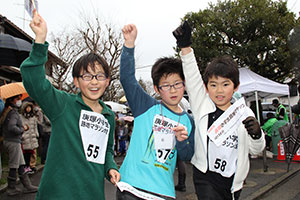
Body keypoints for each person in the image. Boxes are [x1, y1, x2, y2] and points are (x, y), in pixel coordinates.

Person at [20, 11, 120, 199]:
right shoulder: (62, 104)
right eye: (87, 76)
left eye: (99, 76)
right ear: (76, 81)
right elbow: (34, 81)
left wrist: (111, 168)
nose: (93, 82)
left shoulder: (109, 116)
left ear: (107, 81)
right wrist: (40, 41)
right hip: (57, 193)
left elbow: (105, 151)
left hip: (92, 193)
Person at [173, 21, 265, 200]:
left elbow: (256, 150)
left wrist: (256, 134)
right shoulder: (202, 106)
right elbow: (192, 78)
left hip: (233, 182)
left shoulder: (245, 113)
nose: (219, 90)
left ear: (236, 86)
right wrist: (185, 47)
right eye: (213, 85)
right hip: (205, 177)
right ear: (207, 88)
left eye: (225, 84)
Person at [117, 24, 195, 199]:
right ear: (157, 88)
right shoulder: (145, 105)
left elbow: (188, 156)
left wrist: (182, 141)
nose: (173, 90)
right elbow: (127, 79)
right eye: (166, 86)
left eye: (177, 84)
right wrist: (129, 44)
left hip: (163, 193)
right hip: (131, 187)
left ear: (184, 84)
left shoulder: (189, 121)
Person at [1, 95, 38, 196]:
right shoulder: (12, 113)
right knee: (14, 165)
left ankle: (27, 185)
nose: (19, 101)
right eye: (17, 99)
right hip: (13, 141)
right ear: (12, 100)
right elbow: (11, 127)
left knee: (21, 164)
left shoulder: (8, 111)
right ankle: (11, 187)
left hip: (12, 141)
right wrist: (22, 130)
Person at [20, 101, 40, 174]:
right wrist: (22, 135)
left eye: (30, 107)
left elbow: (35, 126)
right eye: (27, 107)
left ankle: (32, 165)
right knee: (26, 153)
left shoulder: (33, 117)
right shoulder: (21, 117)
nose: (28, 109)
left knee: (33, 152)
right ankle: (27, 166)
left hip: (32, 137)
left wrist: (36, 134)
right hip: (25, 137)